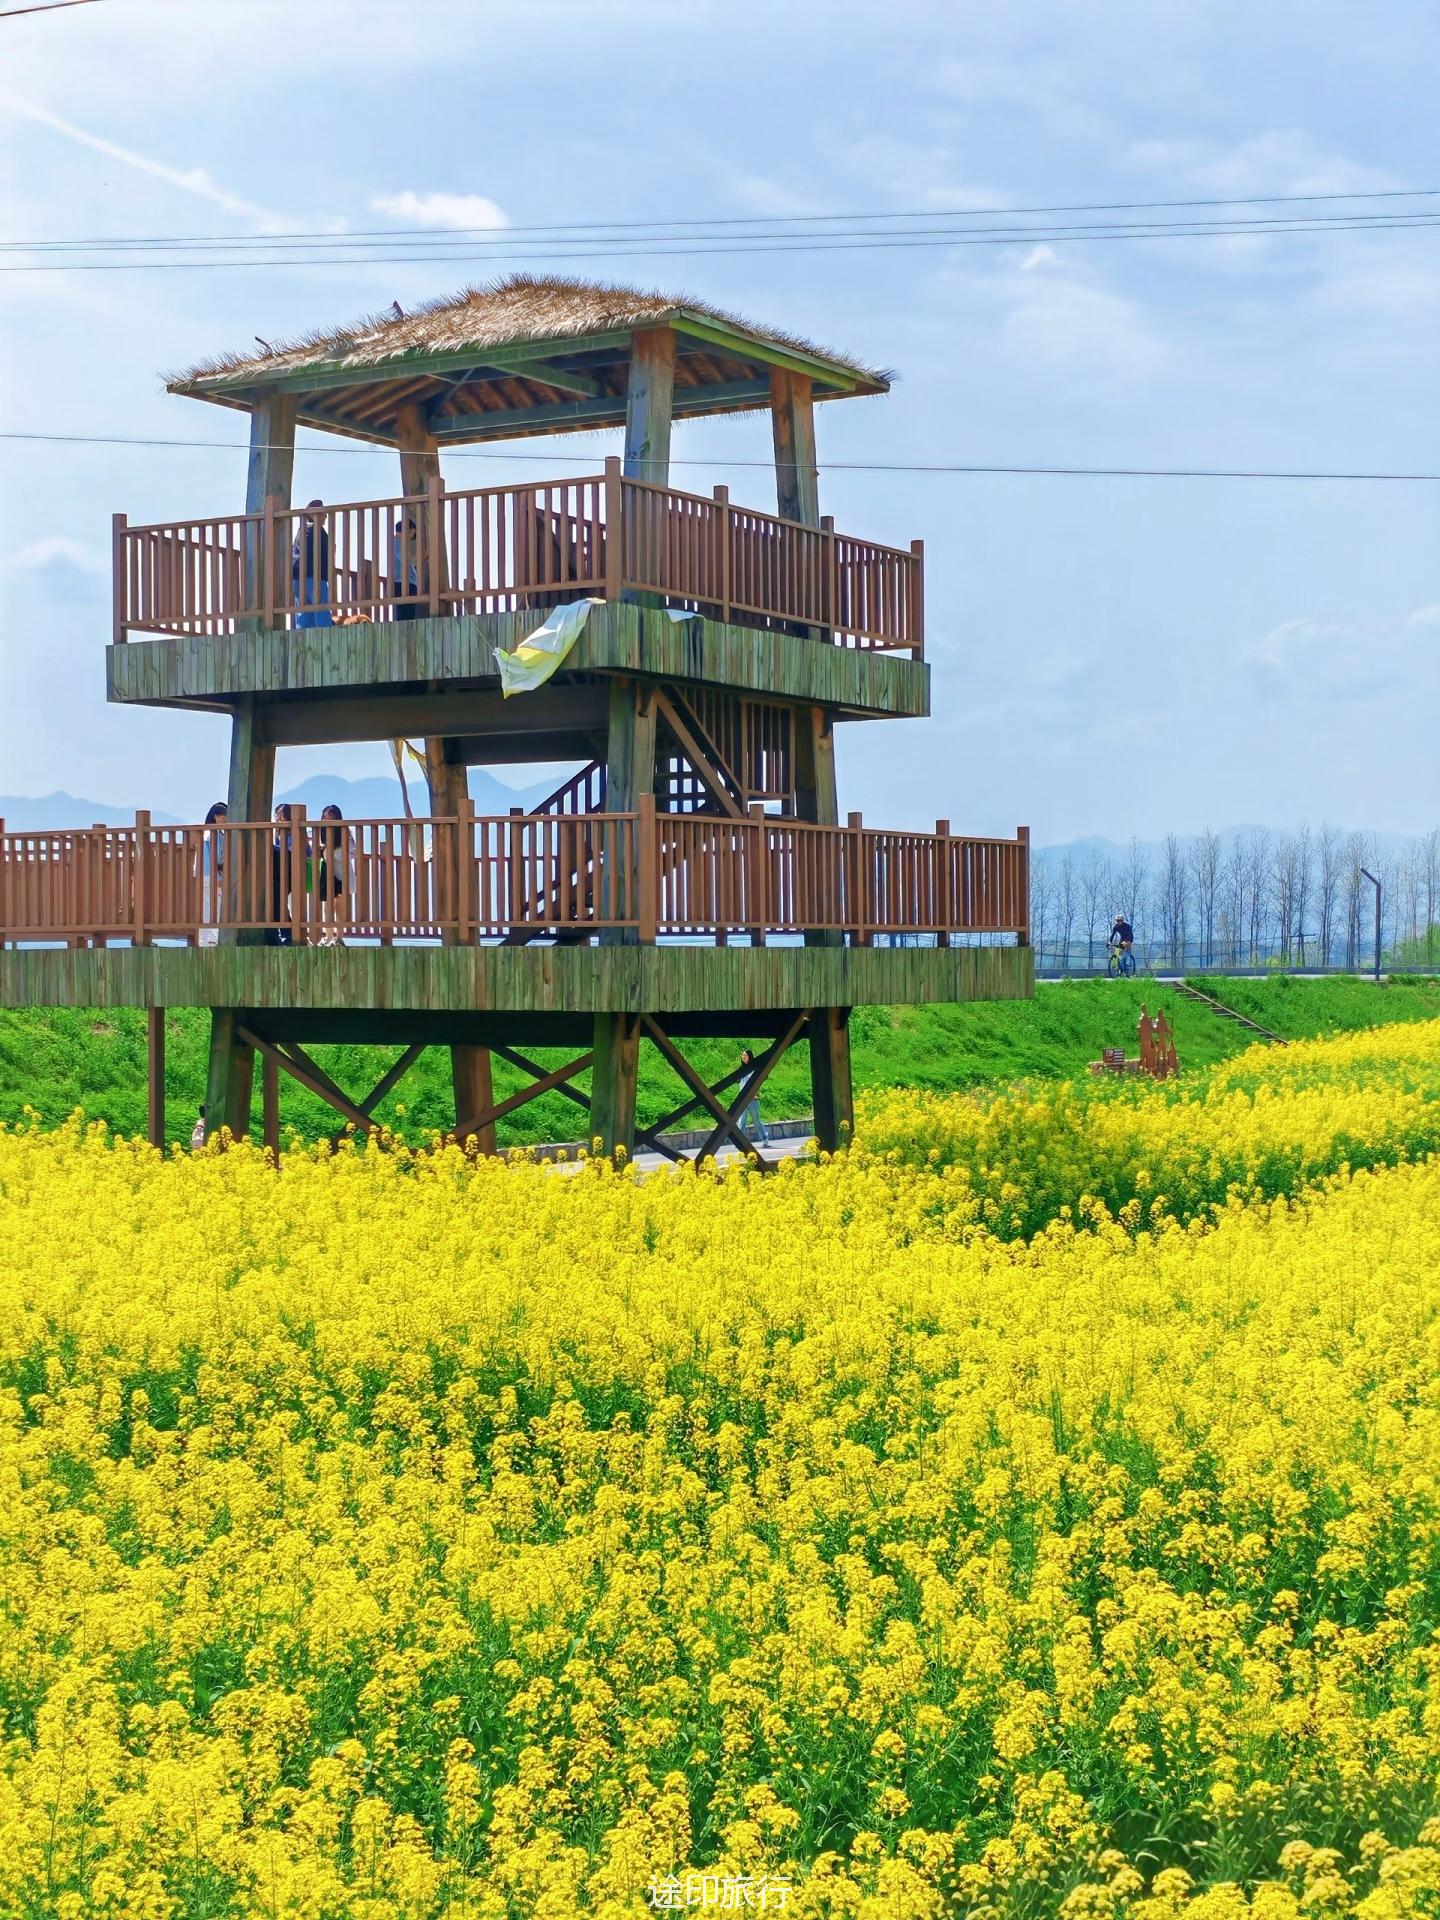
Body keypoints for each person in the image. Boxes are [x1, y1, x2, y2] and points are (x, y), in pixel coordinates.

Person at [266, 803, 310, 945]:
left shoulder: (295, 831)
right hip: (281, 871)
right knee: (278, 900)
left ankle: (287, 932)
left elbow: (307, 853)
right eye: (277, 815)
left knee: (279, 899)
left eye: (281, 815)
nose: (278, 818)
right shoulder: (278, 832)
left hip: (292, 870)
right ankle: (284, 932)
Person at [292, 500, 332, 628]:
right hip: (315, 577)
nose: (326, 516)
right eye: (324, 514)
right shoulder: (319, 532)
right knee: (322, 614)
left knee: (304, 615)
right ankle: (325, 637)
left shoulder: (302, 531)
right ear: (318, 515)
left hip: (297, 578)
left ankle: (302, 638)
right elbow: (326, 553)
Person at [316, 803, 349, 946]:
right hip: (327, 873)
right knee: (327, 905)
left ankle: (339, 937)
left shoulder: (344, 832)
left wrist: (332, 853)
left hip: (341, 872)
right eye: (325, 817)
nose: (327, 820)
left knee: (340, 906)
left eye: (331, 817)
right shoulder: (320, 834)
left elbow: (351, 850)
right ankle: (328, 937)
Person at [198, 800, 227, 945]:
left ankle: (209, 937)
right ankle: (208, 938)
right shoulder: (211, 834)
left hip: (211, 874)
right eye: (223, 818)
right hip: (210, 874)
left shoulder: (215, 834)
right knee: (210, 906)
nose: (225, 821)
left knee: (211, 906)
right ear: (216, 817)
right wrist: (217, 877)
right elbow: (210, 858)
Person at [392, 512, 422, 620]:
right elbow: (405, 559)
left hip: (404, 581)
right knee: (406, 614)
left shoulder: (395, 543)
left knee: (405, 613)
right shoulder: (397, 543)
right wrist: (418, 559)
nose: (410, 537)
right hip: (405, 582)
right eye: (411, 534)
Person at [738, 1047, 769, 1146]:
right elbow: (737, 1080)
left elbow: (763, 1077)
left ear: (750, 1056)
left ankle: (765, 1138)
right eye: (742, 1055)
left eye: (745, 1055)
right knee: (741, 1121)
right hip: (742, 1098)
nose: (743, 1057)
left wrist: (756, 1093)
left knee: (756, 1120)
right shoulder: (741, 1069)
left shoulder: (755, 1068)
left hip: (752, 1099)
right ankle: (740, 1142)